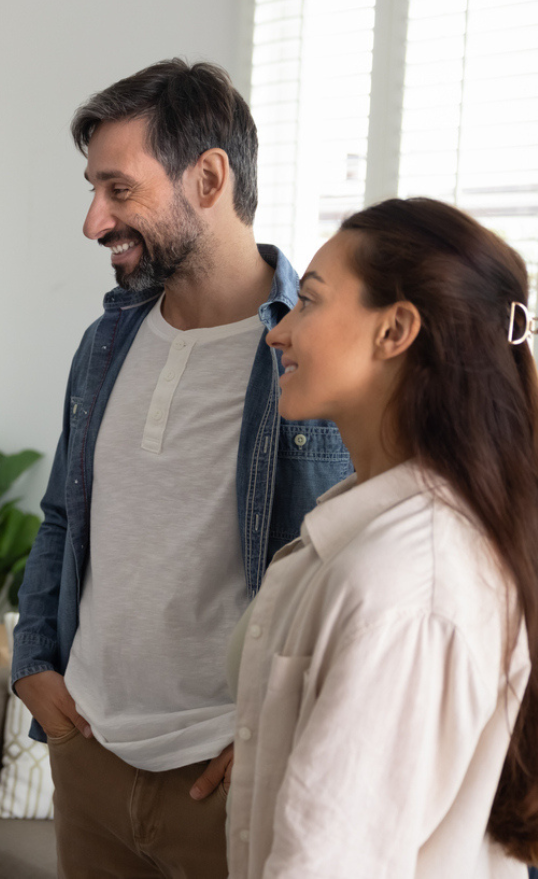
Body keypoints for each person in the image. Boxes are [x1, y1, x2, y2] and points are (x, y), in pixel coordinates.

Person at [10, 59, 352, 877]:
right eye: (94, 189)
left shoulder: (319, 359)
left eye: (119, 190)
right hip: (88, 752)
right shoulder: (106, 343)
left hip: (223, 778)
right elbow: (64, 514)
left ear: (208, 177)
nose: (94, 221)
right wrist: (34, 663)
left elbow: (350, 571)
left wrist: (285, 728)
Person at [227, 197, 538, 877]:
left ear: (395, 329)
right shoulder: (373, 531)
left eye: (308, 302)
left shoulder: (403, 584)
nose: (279, 333)